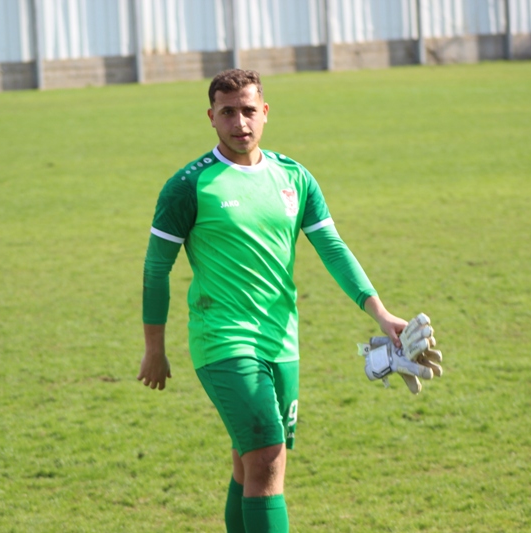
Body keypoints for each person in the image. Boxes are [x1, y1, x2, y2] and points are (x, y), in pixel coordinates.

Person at [138, 69, 408, 533]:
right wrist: (154, 349)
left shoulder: (294, 177)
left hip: (281, 339)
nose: (239, 122)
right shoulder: (188, 186)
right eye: (227, 112)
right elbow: (155, 270)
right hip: (222, 339)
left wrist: (380, 312)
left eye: (248, 110)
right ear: (211, 117)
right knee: (267, 454)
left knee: (249, 462)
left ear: (265, 112)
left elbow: (332, 249)